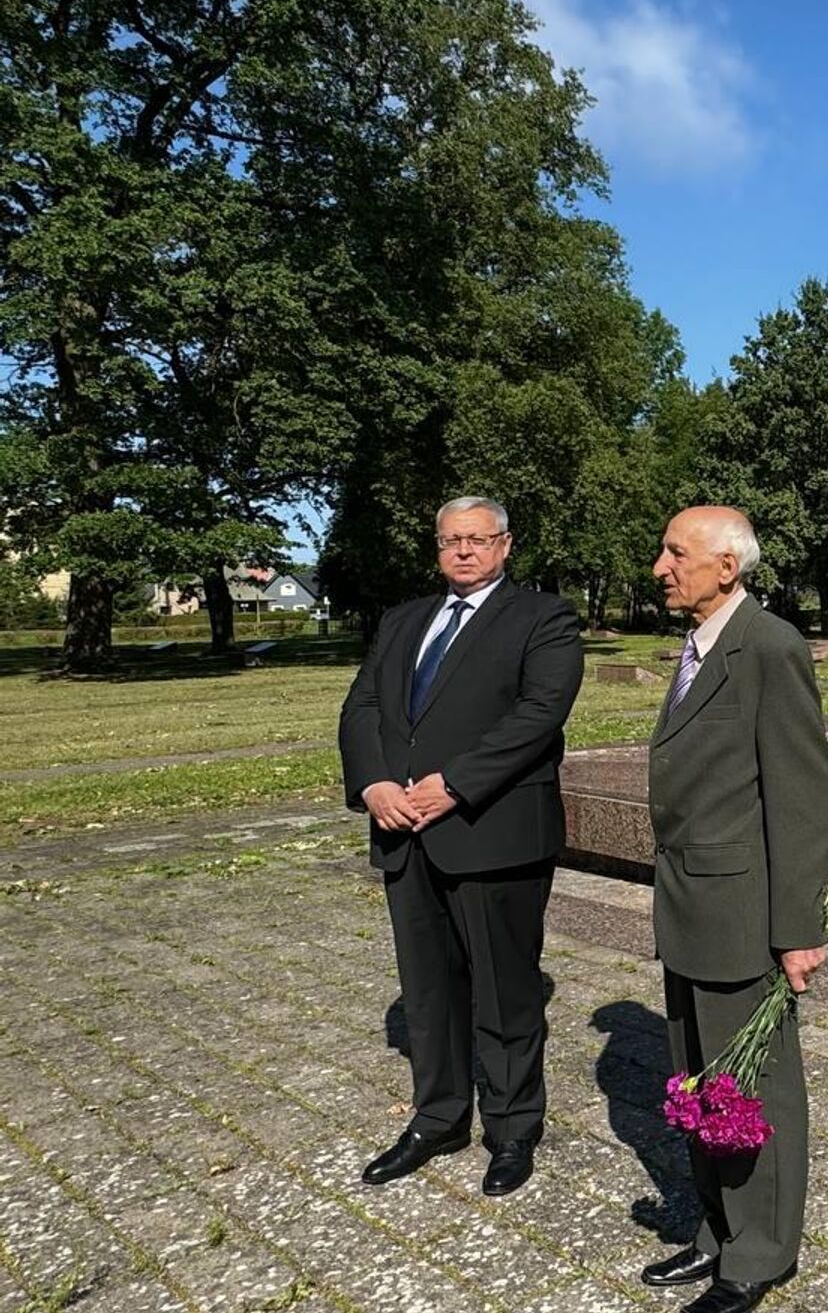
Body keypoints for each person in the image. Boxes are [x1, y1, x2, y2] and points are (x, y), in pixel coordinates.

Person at [338, 496, 584, 1197]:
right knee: (427, 991)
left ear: (506, 545)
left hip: (492, 831)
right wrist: (375, 783)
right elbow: (362, 707)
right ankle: (439, 1117)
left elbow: (539, 713)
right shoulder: (403, 620)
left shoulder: (544, 617)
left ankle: (512, 1130)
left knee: (505, 995)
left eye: (478, 540)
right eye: (451, 541)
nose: (464, 552)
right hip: (403, 830)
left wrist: (456, 784)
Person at [639, 506, 828, 1313]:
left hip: (742, 916)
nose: (659, 565)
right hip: (690, 905)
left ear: (727, 566)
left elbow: (801, 796)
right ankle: (719, 1231)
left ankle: (760, 1253)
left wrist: (797, 931)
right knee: (699, 1083)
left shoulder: (770, 647)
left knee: (749, 1091)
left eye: (675, 552)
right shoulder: (700, 646)